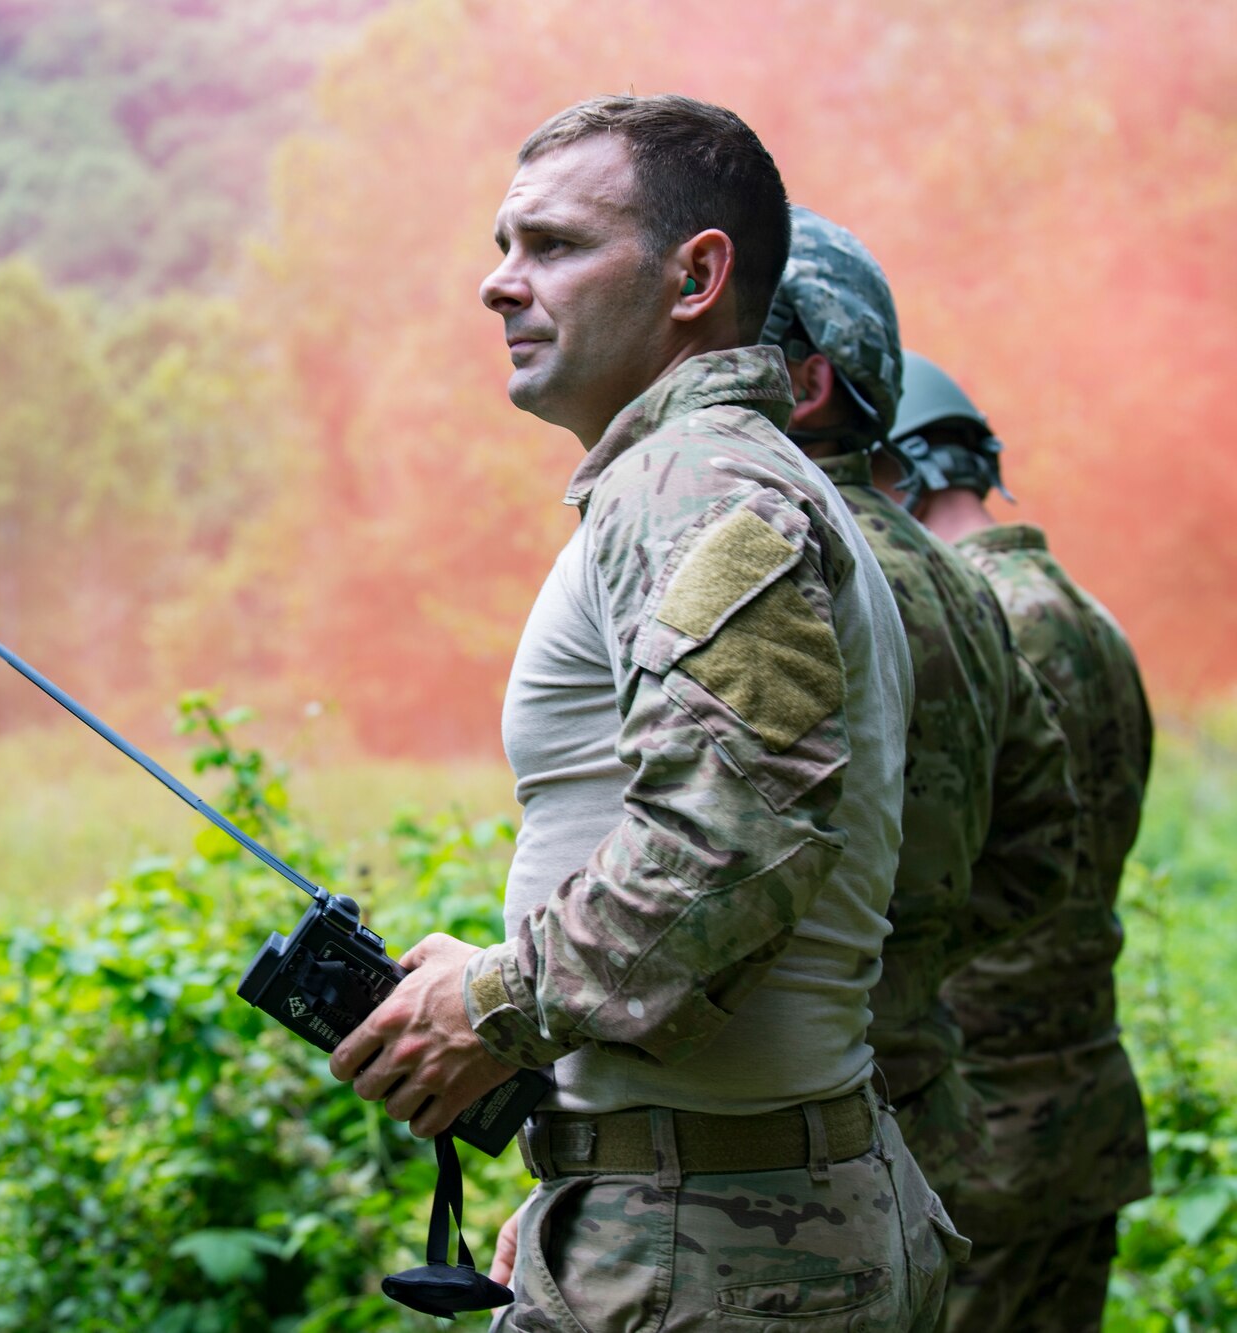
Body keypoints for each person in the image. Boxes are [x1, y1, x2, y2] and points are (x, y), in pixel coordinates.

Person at [325, 94, 961, 1330]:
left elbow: (731, 838)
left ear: (695, 276)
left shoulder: (696, 477)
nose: (496, 286)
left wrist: (494, 1005)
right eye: (502, 245)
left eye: (552, 246)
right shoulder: (708, 480)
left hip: (713, 1247)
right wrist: (601, 1160)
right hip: (709, 1211)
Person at [761, 208, 1078, 1200]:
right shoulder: (957, 584)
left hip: (774, 1160)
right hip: (919, 1128)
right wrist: (903, 970)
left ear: (807, 385)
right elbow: (1041, 844)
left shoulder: (770, 561)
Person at [887, 351, 1153, 1333]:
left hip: (980, 1125)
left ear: (893, 467)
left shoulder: (958, 619)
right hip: (1080, 1101)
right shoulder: (1091, 618)